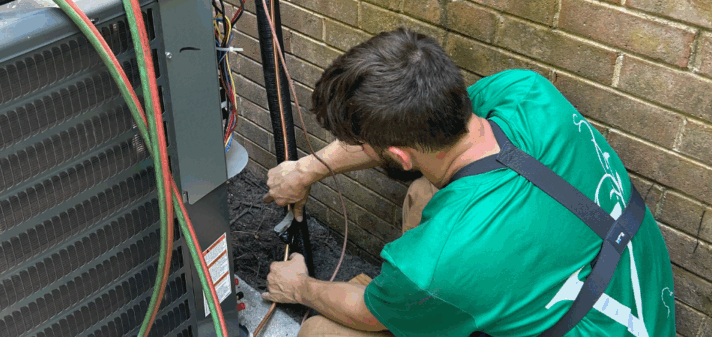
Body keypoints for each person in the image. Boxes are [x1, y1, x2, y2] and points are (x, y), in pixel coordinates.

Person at [261, 28, 675, 337]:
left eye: (363, 145)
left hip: (589, 323)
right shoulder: (525, 90)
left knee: (319, 332)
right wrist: (307, 169)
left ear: (400, 155)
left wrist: (300, 287)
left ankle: (413, 306)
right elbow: (409, 132)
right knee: (423, 194)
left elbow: (366, 313)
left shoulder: (439, 262)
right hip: (637, 294)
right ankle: (419, 306)